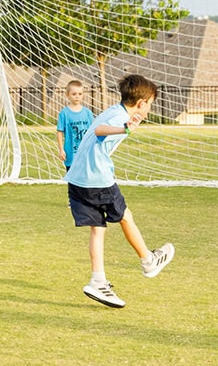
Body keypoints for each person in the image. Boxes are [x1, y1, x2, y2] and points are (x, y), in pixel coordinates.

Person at [65, 74, 174, 308]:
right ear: (142, 103)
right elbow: (100, 131)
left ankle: (98, 281)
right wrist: (123, 127)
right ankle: (149, 261)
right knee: (125, 216)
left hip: (78, 179)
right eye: (150, 105)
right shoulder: (118, 117)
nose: (149, 110)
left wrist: (126, 125)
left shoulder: (114, 109)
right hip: (97, 179)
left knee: (98, 229)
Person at [56, 80, 94, 171]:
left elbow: (93, 131)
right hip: (71, 153)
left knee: (86, 180)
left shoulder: (87, 113)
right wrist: (61, 150)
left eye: (80, 94)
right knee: (72, 182)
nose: (77, 96)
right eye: (74, 94)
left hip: (86, 152)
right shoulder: (64, 113)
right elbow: (60, 132)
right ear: (67, 95)